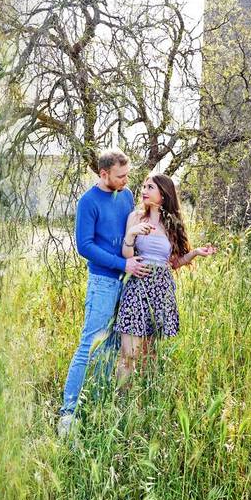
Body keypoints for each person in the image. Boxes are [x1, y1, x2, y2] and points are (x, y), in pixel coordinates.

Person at [58, 148, 149, 437]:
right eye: (120, 176)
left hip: (127, 282)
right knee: (90, 345)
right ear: (104, 173)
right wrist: (122, 263)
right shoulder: (88, 202)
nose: (125, 180)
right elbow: (85, 246)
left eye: (127, 175)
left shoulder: (126, 195)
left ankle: (94, 405)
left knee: (110, 347)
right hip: (102, 283)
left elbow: (129, 233)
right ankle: (68, 414)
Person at [114, 174, 216, 384]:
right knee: (129, 353)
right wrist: (132, 234)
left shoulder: (171, 223)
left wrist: (195, 252)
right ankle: (121, 401)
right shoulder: (135, 218)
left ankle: (143, 401)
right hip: (137, 287)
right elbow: (127, 255)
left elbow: (174, 262)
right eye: (143, 186)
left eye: (150, 187)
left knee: (149, 354)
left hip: (161, 290)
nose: (144, 190)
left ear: (163, 195)